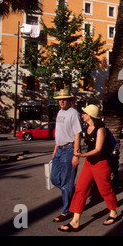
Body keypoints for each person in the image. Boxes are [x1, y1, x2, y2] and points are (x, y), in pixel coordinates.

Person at [59, 104, 118, 232]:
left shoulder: (100, 130)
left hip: (101, 164)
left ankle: (113, 212)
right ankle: (75, 221)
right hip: (89, 163)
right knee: (80, 189)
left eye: (84, 113)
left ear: (90, 115)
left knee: (105, 190)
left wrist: (82, 155)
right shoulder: (87, 127)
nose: (82, 115)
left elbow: (98, 149)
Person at [51, 88, 83, 223]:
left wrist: (76, 154)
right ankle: (70, 192)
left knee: (65, 182)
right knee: (54, 179)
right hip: (59, 150)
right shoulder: (59, 112)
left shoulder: (73, 113)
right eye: (60, 100)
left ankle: (66, 211)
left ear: (70, 101)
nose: (61, 101)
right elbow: (59, 133)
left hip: (69, 149)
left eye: (64, 99)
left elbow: (77, 134)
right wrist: (55, 149)